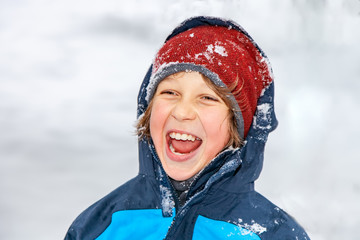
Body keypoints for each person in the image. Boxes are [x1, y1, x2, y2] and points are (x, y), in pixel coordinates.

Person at [65, 16, 310, 239]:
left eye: (208, 98)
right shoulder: (100, 226)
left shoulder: (273, 233)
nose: (182, 112)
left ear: (239, 124)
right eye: (170, 92)